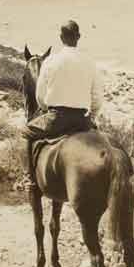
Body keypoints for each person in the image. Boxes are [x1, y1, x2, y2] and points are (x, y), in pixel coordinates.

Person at [23, 20, 103, 187]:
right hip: (82, 120)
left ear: (61, 38)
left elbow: (40, 96)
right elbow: (97, 98)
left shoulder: (51, 61)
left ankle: (29, 178)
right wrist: (91, 117)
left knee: (26, 133)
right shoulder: (90, 61)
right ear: (79, 37)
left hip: (56, 118)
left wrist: (46, 110)